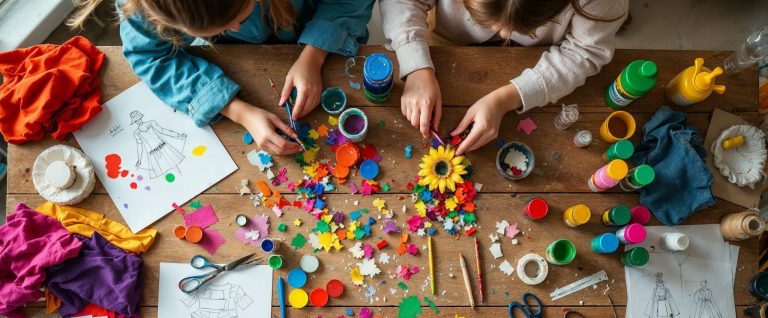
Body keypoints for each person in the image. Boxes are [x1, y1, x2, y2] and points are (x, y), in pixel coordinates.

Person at [69, 0, 374, 155]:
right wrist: (238, 110)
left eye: (240, 17)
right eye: (221, 30)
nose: (238, 30)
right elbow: (150, 57)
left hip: (315, 22)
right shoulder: (142, 7)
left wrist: (314, 54)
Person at [380, 0, 629, 154]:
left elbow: (585, 51)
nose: (502, 33)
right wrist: (416, 67)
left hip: (535, 54)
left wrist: (506, 99)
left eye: (520, 28)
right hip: (448, 35)